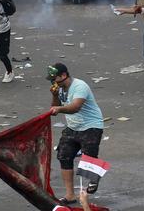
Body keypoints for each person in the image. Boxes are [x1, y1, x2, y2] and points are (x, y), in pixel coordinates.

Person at [46, 63, 104, 205]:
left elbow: (75, 107)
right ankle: (70, 195)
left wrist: (59, 109)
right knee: (63, 156)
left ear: (64, 75)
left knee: (89, 157)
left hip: (91, 126)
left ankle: (94, 178)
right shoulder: (59, 88)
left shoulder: (79, 86)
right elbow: (55, 105)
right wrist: (54, 96)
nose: (54, 82)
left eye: (55, 79)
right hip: (72, 127)